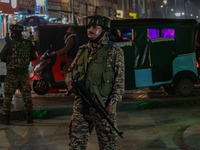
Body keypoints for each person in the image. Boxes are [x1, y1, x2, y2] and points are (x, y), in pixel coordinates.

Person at [66, 15, 125, 150]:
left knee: (107, 146)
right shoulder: (82, 50)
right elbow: (70, 71)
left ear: (104, 31)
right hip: (81, 107)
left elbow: (119, 83)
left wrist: (112, 104)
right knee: (75, 145)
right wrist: (69, 82)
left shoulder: (115, 52)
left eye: (94, 27)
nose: (90, 31)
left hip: (103, 107)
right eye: (88, 28)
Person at [0, 24, 38, 125]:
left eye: (11, 32)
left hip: (12, 74)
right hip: (24, 74)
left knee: (8, 96)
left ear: (14, 33)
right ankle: (29, 118)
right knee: (27, 96)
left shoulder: (10, 44)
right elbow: (35, 56)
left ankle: (6, 118)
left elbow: (2, 57)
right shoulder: (28, 43)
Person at [51, 27, 79, 96]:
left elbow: (66, 48)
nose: (67, 31)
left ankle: (70, 89)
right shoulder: (72, 38)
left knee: (67, 72)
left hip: (72, 58)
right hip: (72, 58)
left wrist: (56, 53)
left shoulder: (71, 38)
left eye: (69, 30)